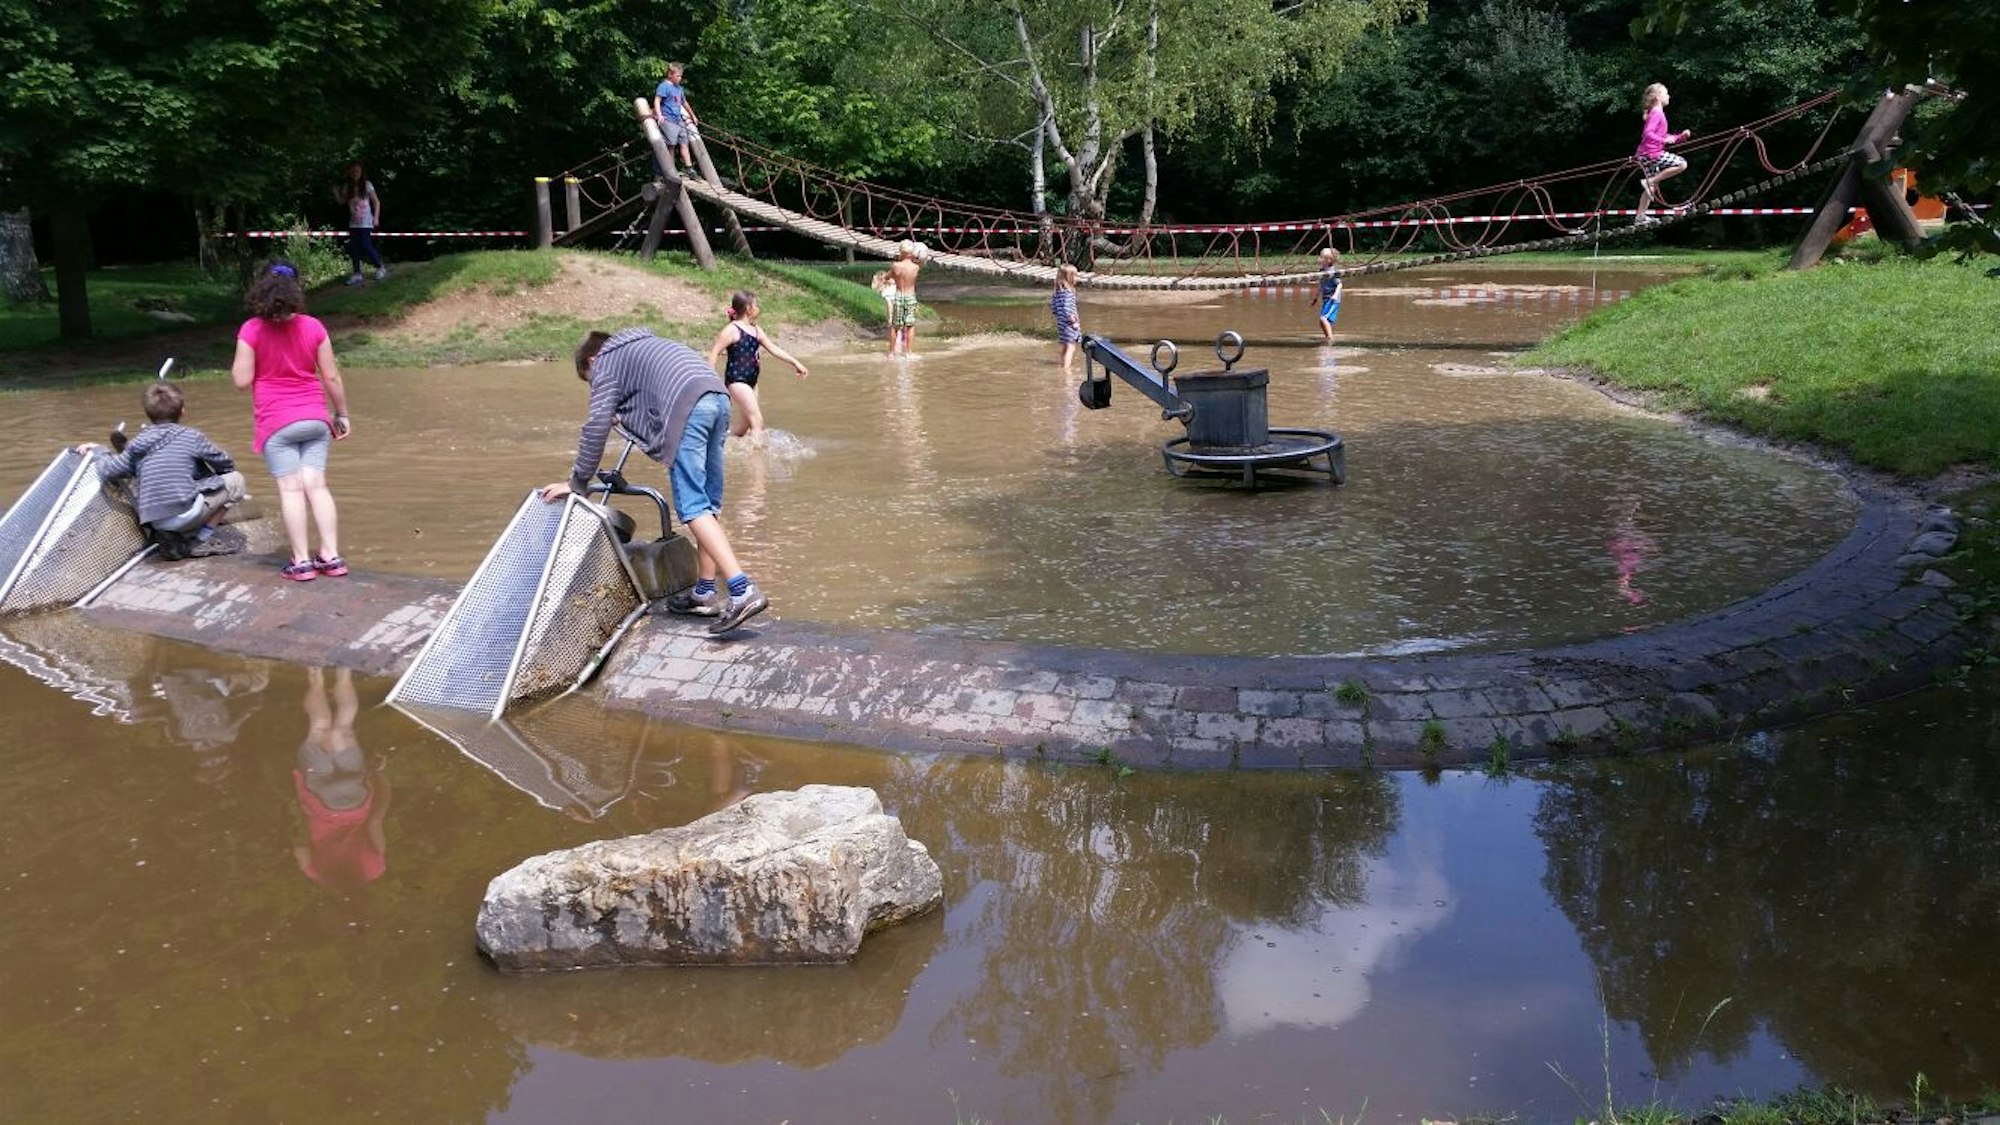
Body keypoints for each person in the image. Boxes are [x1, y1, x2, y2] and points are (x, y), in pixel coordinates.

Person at [541, 329, 770, 634]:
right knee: (707, 504)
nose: (595, 386)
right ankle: (705, 592)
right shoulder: (640, 344)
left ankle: (742, 591)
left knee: (692, 507)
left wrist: (577, 482)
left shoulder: (605, 362)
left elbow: (596, 424)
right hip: (717, 399)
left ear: (591, 360)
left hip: (689, 406)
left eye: (590, 380)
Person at [231, 261, 353, 582]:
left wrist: (264, 362)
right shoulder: (314, 326)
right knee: (317, 486)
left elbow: (241, 380)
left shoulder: (251, 329)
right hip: (315, 419)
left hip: (277, 422)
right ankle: (331, 555)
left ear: (262, 289)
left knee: (291, 490)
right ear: (295, 289)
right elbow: (331, 375)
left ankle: (301, 561)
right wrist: (341, 415)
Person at [74, 381, 248, 554]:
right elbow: (226, 464)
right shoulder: (192, 437)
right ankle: (200, 539)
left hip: (154, 520)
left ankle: (169, 531)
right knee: (236, 480)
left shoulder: (138, 443)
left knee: (143, 469)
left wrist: (99, 451)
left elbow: (108, 470)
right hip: (184, 514)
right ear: (182, 411)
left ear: (148, 413)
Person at [292, 666, 389, 890]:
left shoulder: (375, 869)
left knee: (342, 729)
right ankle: (315, 676)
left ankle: (344, 670)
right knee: (319, 728)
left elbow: (375, 821)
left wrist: (379, 775)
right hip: (323, 802)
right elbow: (299, 849)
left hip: (357, 801)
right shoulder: (319, 875)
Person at [706, 291, 809, 446]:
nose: (758, 308)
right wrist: (711, 382)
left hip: (752, 382)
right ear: (748, 308)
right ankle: (757, 461)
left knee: (745, 426)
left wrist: (795, 362)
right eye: (756, 305)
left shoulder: (756, 330)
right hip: (737, 380)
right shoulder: (732, 329)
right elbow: (713, 353)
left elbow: (773, 348)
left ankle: (718, 441)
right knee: (757, 422)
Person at [1633, 83, 1692, 226]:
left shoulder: (1656, 112)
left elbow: (1663, 135)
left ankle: (1640, 217)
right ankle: (1650, 182)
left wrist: (1680, 137)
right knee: (1682, 164)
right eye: (1666, 93)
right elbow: (1648, 134)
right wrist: (1664, 140)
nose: (1669, 96)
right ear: (1658, 97)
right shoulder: (1657, 113)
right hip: (1651, 154)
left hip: (1645, 154)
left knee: (1651, 187)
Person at [334, 162, 387, 284]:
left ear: (361, 172)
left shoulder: (367, 185)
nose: (355, 174)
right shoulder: (347, 187)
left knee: (366, 244)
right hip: (354, 222)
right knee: (355, 247)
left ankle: (380, 267)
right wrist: (336, 192)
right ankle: (357, 273)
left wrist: (376, 217)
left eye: (357, 171)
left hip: (366, 221)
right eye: (353, 171)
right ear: (349, 173)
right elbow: (341, 202)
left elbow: (376, 202)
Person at [652, 62, 700, 175]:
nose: (680, 78)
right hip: (668, 120)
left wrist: (693, 115)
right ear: (670, 74)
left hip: (678, 120)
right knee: (671, 145)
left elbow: (684, 102)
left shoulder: (679, 88)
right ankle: (670, 169)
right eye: (678, 76)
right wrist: (659, 115)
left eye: (681, 76)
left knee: (684, 143)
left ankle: (689, 167)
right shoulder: (664, 86)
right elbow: (657, 101)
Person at [887, 240, 925, 358]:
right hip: (910, 296)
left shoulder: (895, 266)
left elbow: (888, 277)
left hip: (899, 295)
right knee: (910, 325)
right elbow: (920, 262)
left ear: (901, 252)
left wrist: (884, 278)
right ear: (912, 253)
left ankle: (891, 353)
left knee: (895, 326)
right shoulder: (916, 268)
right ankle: (909, 353)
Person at [1051, 264, 1083, 374]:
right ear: (1070, 278)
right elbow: (1068, 308)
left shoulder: (1057, 292)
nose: (1077, 278)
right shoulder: (1068, 293)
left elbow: (1054, 308)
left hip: (1061, 323)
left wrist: (1060, 318)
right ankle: (1066, 368)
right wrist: (1073, 321)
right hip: (1069, 323)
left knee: (1065, 345)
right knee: (1071, 347)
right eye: (1076, 276)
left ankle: (1061, 364)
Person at [1313, 248, 1344, 342]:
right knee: (1322, 321)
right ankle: (1328, 337)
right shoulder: (1321, 271)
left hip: (1333, 299)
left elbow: (1339, 284)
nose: (1319, 259)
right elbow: (1321, 285)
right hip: (1326, 299)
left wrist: (1335, 295)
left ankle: (1330, 340)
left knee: (1323, 319)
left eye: (1322, 257)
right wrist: (1316, 297)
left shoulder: (1333, 272)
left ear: (1329, 260)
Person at [870, 270, 897, 340]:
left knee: (892, 321)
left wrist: (890, 317)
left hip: (897, 307)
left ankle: (893, 338)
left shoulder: (887, 292)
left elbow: (889, 305)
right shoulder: (892, 287)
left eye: (874, 281)